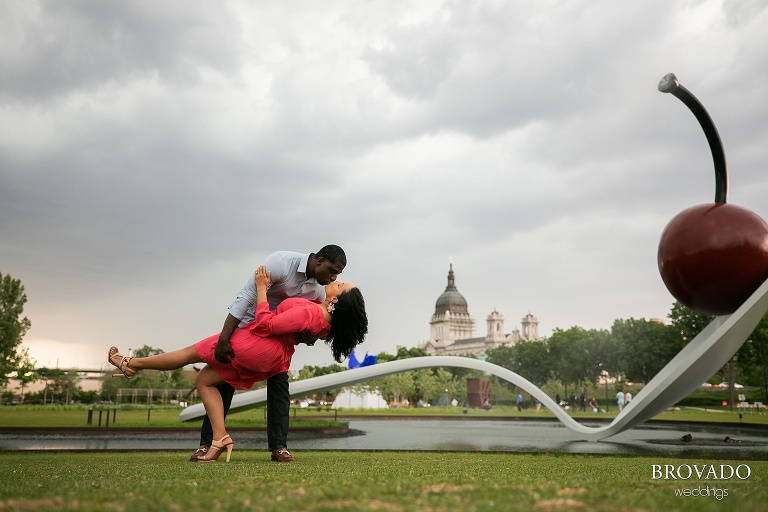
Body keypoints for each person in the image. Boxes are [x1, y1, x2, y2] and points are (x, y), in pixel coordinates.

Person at [108, 265, 368, 462]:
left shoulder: (309, 312)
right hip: (273, 358)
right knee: (204, 380)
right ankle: (219, 439)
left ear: (335, 300)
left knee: (190, 353)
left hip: (253, 344)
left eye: (340, 284)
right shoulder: (324, 325)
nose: (335, 281)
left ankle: (132, 363)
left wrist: (262, 288)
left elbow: (266, 323)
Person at [202, 246, 346, 463]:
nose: (334, 277)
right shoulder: (280, 263)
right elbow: (247, 295)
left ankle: (279, 447)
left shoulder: (317, 291)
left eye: (338, 275)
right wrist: (224, 338)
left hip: (278, 342)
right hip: (248, 327)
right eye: (332, 270)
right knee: (223, 381)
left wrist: (310, 337)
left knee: (280, 387)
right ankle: (206, 444)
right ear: (319, 261)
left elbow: (312, 322)